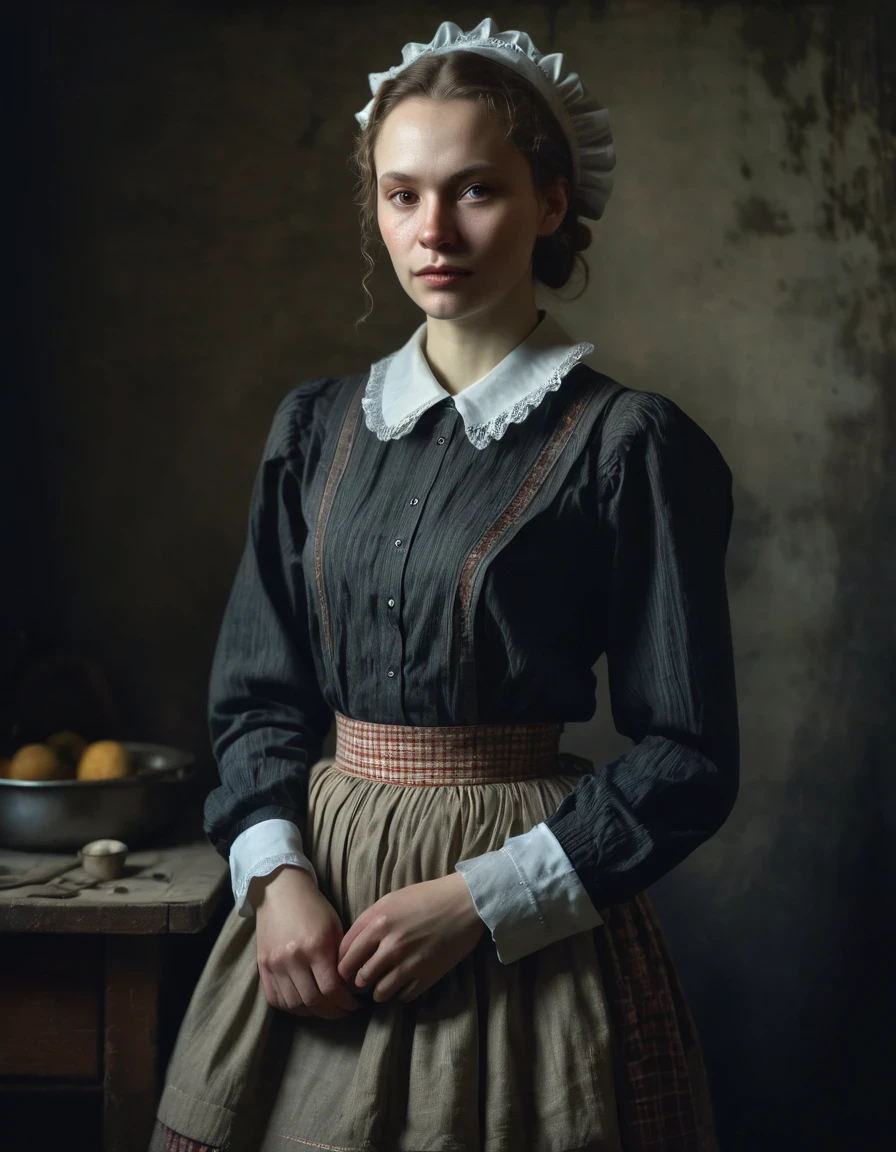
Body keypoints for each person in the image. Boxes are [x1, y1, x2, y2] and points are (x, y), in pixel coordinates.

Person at [149, 17, 739, 1152]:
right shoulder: (313, 428)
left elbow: (689, 757)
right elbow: (258, 698)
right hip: (316, 903)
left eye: (473, 191)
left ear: (551, 203)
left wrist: (480, 901)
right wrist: (276, 885)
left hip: (519, 920)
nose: (432, 232)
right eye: (399, 194)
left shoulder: (629, 445)